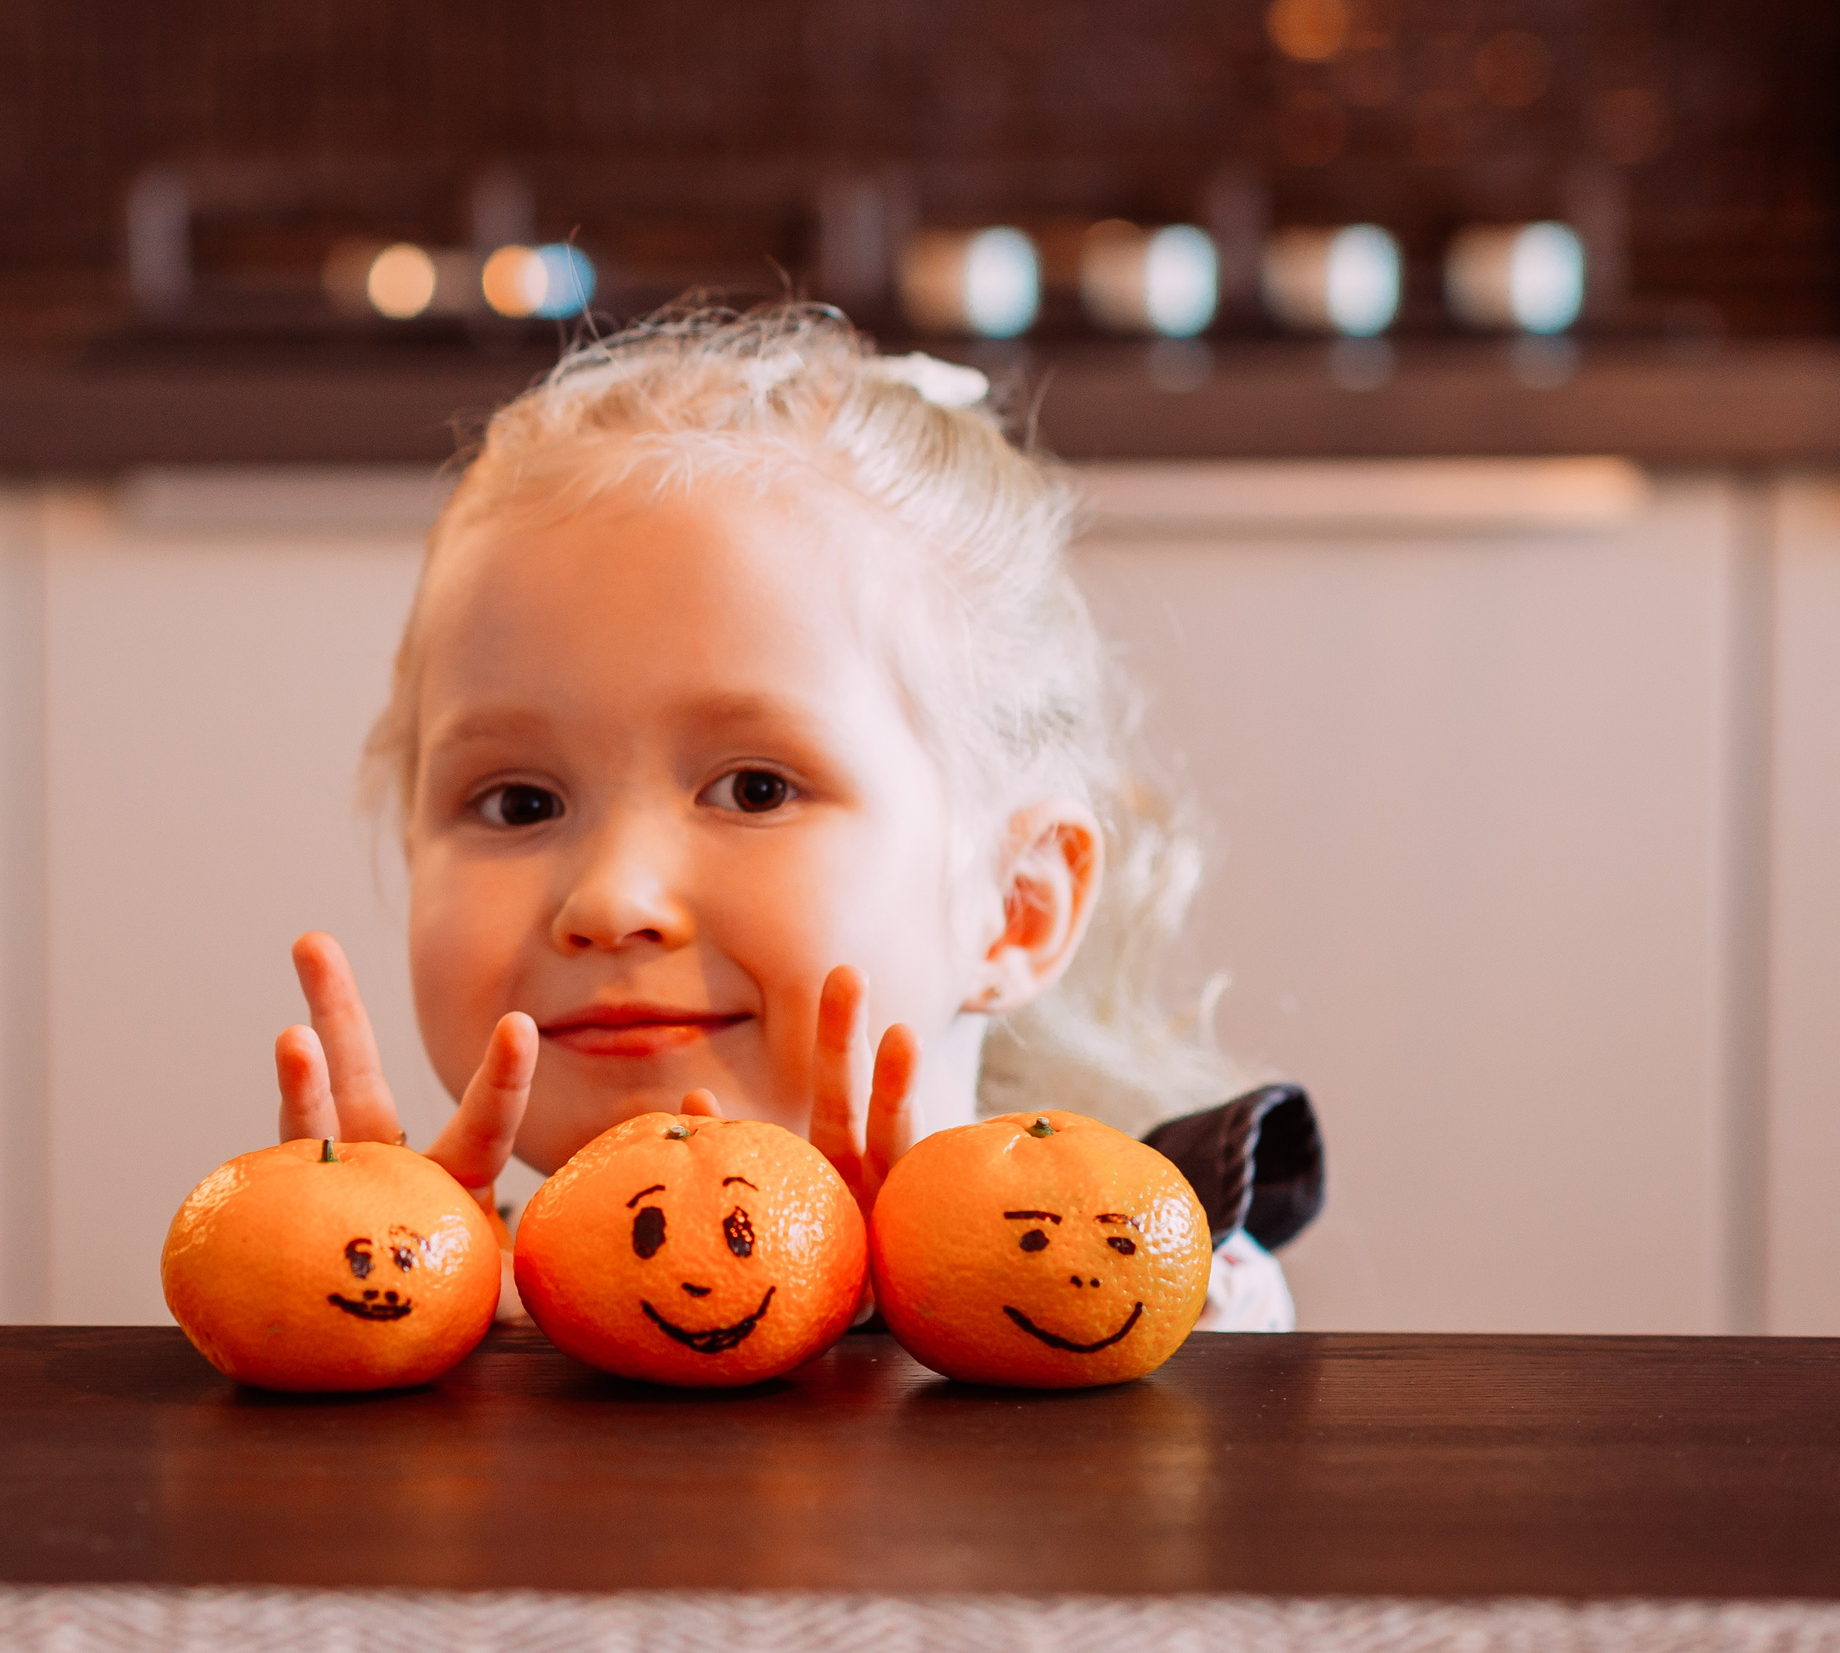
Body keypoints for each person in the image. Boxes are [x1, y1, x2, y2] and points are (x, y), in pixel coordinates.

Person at [270, 305, 1317, 1331]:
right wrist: (380, 1340)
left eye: (754, 789)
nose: (609, 898)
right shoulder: (415, 1300)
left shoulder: (1159, 1300)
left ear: (1017, 909)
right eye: (520, 803)